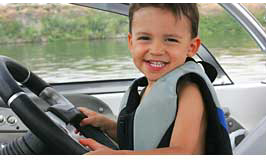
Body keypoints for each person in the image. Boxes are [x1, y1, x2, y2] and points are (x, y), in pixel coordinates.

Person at [77, 3, 232, 155]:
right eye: (145, 38)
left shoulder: (189, 90)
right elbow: (141, 141)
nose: (156, 50)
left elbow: (181, 152)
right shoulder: (147, 88)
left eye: (171, 40)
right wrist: (104, 124)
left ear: (191, 47)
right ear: (131, 43)